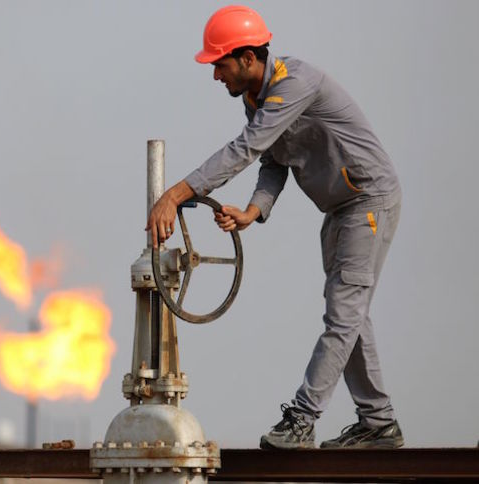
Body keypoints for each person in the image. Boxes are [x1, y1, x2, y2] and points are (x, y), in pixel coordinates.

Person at [146, 5, 404, 450]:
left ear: (248, 58)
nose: (215, 76)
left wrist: (176, 194)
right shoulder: (257, 101)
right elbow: (273, 160)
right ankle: (378, 422)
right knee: (350, 315)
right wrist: (253, 210)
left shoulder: (293, 84)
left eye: (220, 65)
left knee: (343, 314)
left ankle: (303, 418)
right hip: (341, 208)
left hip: (368, 202)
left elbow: (246, 149)